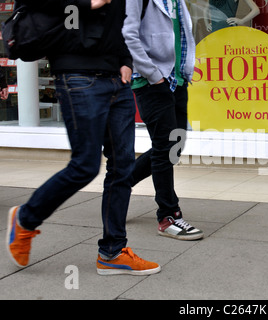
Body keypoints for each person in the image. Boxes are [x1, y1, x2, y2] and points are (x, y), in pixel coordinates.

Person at [6, 0, 161, 276]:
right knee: (85, 165)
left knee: (122, 166)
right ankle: (25, 218)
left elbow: (119, 22)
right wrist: (85, 3)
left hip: (117, 79)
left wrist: (125, 60)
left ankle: (113, 252)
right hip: (77, 75)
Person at [123, 0, 203, 240]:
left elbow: (182, 35)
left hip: (176, 80)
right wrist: (152, 74)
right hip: (152, 81)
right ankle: (169, 215)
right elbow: (128, 35)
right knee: (164, 146)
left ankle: (122, 183)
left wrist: (184, 72)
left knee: (173, 148)